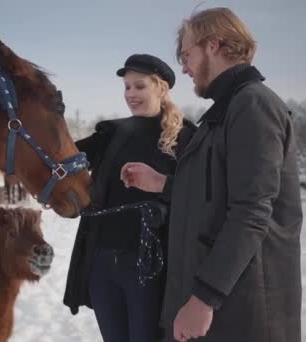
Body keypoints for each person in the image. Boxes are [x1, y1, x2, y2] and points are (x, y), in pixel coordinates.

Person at [121, 7, 303, 342]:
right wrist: (162, 183)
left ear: (213, 45)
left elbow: (251, 211)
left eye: (186, 54)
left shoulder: (253, 105)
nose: (184, 67)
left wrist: (205, 297)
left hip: (240, 312)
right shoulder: (223, 113)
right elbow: (214, 196)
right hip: (212, 305)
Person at [63, 54, 196, 342]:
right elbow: (63, 156)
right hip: (101, 265)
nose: (131, 94)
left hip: (149, 268)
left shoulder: (185, 138)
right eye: (127, 87)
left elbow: (197, 197)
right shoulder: (112, 133)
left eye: (139, 86)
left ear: (160, 88)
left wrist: (160, 203)